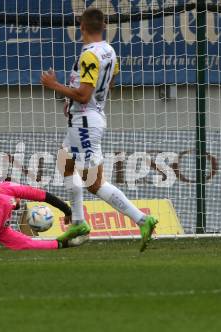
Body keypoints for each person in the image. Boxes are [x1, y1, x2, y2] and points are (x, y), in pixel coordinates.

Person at [40, 7, 158, 251]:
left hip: (85, 122)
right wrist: (89, 101)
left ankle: (142, 219)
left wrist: (55, 85)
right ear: (104, 26)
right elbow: (112, 78)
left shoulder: (89, 55)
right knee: (65, 162)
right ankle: (79, 221)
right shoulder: (109, 51)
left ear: (81, 27)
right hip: (85, 118)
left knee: (94, 183)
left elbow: (83, 95)